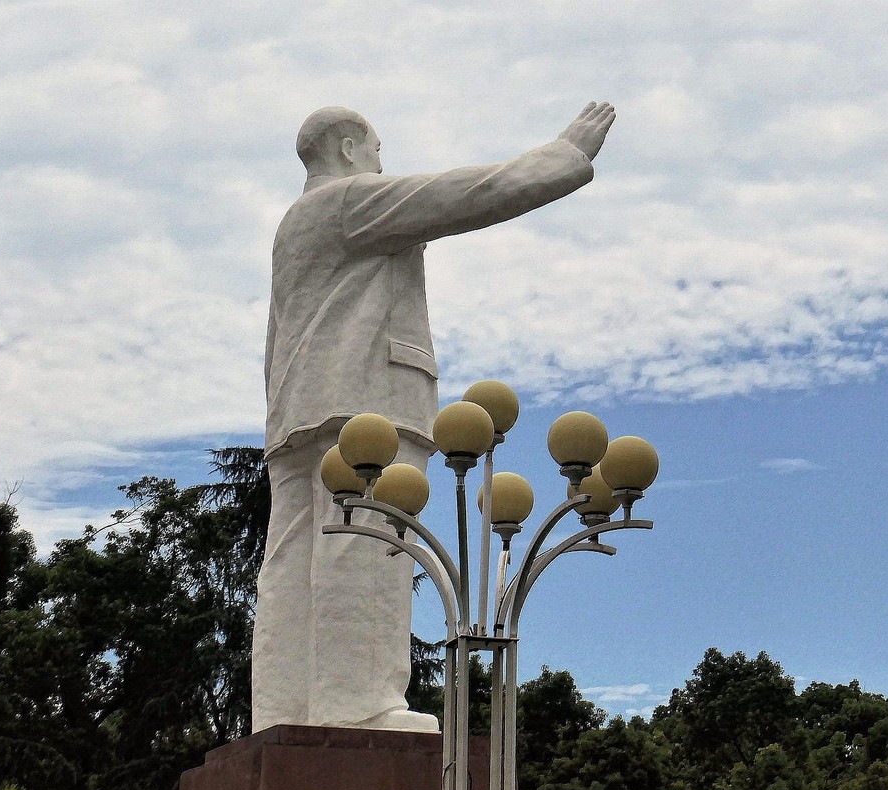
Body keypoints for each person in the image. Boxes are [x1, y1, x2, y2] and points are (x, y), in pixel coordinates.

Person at [254, 102, 616, 732]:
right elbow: (469, 194)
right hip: (364, 402)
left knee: (292, 562)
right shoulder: (348, 203)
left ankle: (283, 714)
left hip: (300, 411)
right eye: (375, 149)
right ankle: (359, 707)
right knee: (367, 541)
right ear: (347, 149)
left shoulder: (292, 227)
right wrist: (566, 155)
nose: (380, 163)